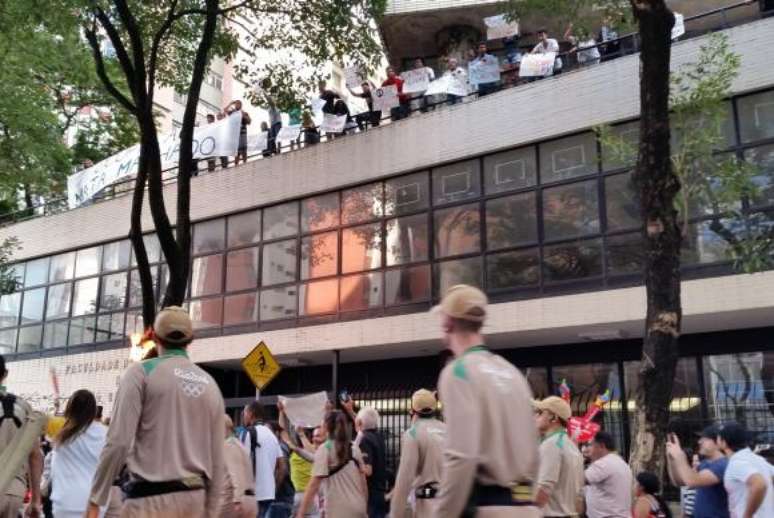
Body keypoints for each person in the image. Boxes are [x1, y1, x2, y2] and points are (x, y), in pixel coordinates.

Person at [85, 306, 226, 518]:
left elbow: (119, 442)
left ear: (154, 336)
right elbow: (217, 459)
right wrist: (211, 512)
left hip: (149, 500)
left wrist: (96, 498)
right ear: (191, 339)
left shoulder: (140, 373)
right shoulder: (210, 385)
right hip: (194, 499)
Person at [431, 284, 540, 517]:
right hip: (527, 507)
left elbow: (461, 456)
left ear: (447, 322)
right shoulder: (511, 372)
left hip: (488, 507)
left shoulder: (457, 372)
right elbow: (534, 449)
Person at [294, 410, 368, 518]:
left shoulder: (325, 448)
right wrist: (364, 508)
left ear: (326, 426)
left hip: (339, 510)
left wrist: (301, 513)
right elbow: (363, 483)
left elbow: (314, 484)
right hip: (359, 508)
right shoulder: (354, 448)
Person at [389, 389, 447, 518]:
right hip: (452, 503)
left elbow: (405, 478)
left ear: (413, 410)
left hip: (429, 506)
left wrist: (395, 514)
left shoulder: (412, 433)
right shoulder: (448, 430)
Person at [50, 389, 106, 518]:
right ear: (93, 410)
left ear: (69, 407)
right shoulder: (106, 433)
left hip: (64, 502)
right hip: (94, 504)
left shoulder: (59, 429)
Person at [0, 354, 44, 518]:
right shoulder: (23, 407)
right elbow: (35, 456)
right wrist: (35, 500)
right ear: (5, 374)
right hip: (15, 492)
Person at [533, 396, 584, 517]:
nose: (536, 416)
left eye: (540, 413)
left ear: (554, 418)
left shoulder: (551, 444)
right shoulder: (571, 446)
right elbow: (580, 500)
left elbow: (543, 491)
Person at [666, 426, 730, 518]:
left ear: (718, 442)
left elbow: (691, 481)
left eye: (704, 439)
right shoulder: (704, 464)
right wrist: (672, 459)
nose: (699, 442)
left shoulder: (723, 465)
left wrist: (679, 456)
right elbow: (679, 482)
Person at [718, 422, 774, 518]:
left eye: (718, 438)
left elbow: (759, 484)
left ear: (723, 443)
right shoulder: (758, 459)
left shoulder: (737, 463)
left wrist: (747, 515)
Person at [240, 401, 283, 518]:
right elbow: (282, 467)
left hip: (252, 494)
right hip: (268, 494)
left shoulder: (247, 433)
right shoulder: (272, 435)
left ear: (251, 413)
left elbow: (240, 463)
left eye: (245, 412)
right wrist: (272, 486)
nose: (243, 415)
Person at [584, 431, 633, 518]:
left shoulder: (603, 463)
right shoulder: (620, 462)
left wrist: (576, 455)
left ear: (602, 446)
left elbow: (579, 480)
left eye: (591, 445)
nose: (587, 450)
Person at [354, 407, 388, 518]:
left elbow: (368, 470)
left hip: (370, 494)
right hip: (380, 492)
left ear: (359, 422)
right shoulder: (379, 437)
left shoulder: (364, 439)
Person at [221, 415, 257, 518]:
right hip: (250, 499)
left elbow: (236, 473)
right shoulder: (239, 445)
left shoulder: (227, 445)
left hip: (233, 502)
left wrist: (237, 500)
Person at [285, 425, 324, 518]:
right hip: (310, 495)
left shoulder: (294, 453)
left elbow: (284, 430)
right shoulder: (316, 451)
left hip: (303, 494)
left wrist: (300, 434)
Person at [267, 422, 295, 518]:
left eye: (268, 431)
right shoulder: (273, 447)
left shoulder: (280, 447)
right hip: (279, 499)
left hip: (280, 499)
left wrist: (273, 490)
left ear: (277, 433)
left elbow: (283, 470)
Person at [225, 100, 251, 165]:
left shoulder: (244, 113)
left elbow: (249, 121)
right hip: (235, 135)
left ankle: (245, 163)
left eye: (239, 104)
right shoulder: (232, 112)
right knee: (237, 152)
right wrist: (230, 103)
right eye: (236, 104)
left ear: (241, 105)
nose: (237, 105)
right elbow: (225, 110)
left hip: (243, 134)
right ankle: (236, 166)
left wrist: (243, 116)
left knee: (244, 150)